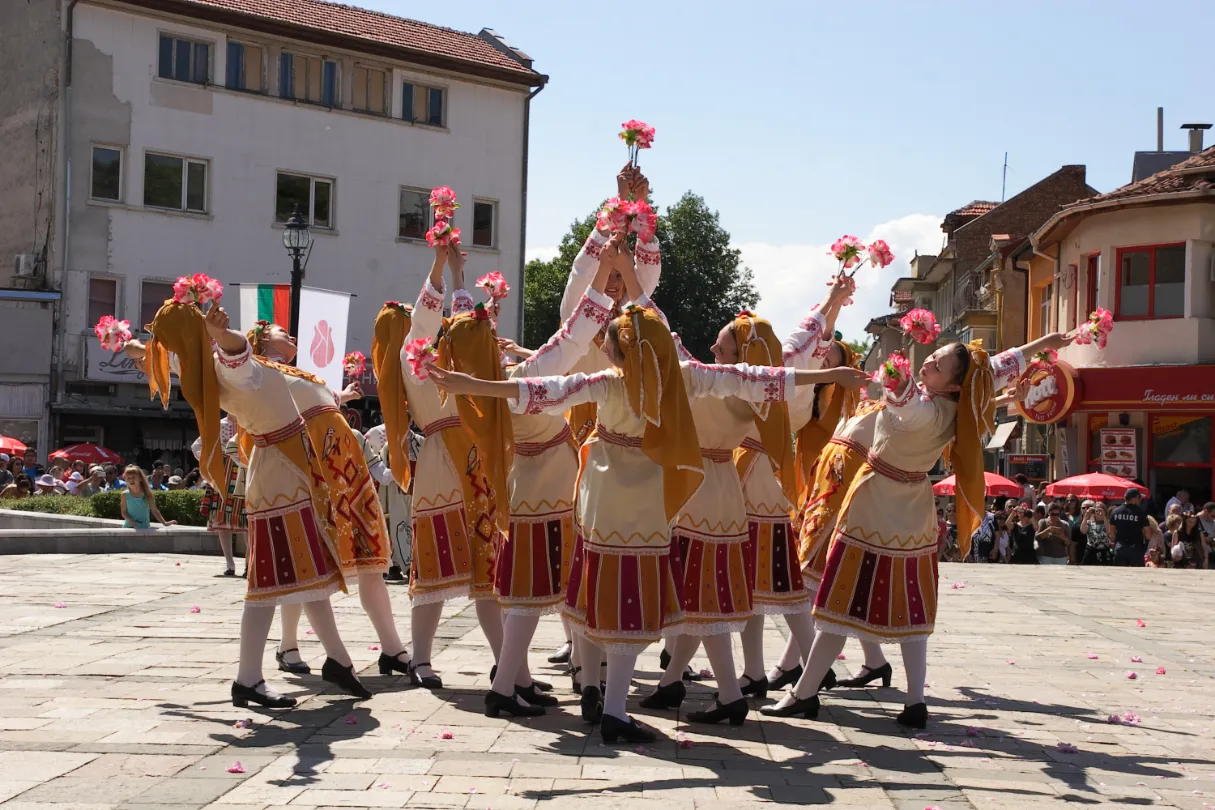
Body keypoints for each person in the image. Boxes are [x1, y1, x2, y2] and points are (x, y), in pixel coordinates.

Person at [431, 299, 868, 742]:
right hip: (644, 508)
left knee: (598, 597)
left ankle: (595, 693)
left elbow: (544, 391)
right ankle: (613, 708)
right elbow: (763, 378)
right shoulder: (682, 378)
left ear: (620, 355)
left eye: (609, 345)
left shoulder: (609, 383)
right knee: (630, 602)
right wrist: (829, 375)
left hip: (601, 504)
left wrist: (474, 383)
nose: (603, 349)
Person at [762, 328, 1074, 731]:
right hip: (913, 512)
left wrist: (896, 374)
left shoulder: (927, 408)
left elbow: (907, 400)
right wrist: (1042, 343)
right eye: (931, 357)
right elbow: (995, 367)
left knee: (839, 605)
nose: (928, 361)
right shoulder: (956, 405)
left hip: (875, 506)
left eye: (938, 364)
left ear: (954, 381)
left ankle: (804, 693)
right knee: (910, 606)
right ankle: (914, 701)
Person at [125, 297, 370, 708]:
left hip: (281, 469)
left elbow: (162, 354)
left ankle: (336, 661)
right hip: (281, 475)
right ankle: (249, 678)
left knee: (307, 570)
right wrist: (220, 334)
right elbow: (239, 353)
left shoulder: (194, 366)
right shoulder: (223, 366)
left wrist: (132, 345)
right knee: (268, 581)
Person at [245, 319, 412, 684]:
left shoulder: (294, 374)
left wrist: (344, 398)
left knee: (368, 560)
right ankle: (289, 646)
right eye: (276, 330)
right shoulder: (258, 375)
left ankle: (393, 647)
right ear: (258, 340)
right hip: (313, 473)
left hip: (344, 473)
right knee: (304, 561)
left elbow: (318, 406)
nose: (287, 333)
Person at [1109, 488, 1152, 567]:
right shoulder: (1141, 513)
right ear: (1134, 499)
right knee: (1137, 576)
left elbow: (1112, 534)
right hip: (1136, 549)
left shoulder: (1115, 512)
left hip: (1120, 548)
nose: (1140, 501)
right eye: (1139, 498)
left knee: (1119, 575)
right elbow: (1148, 535)